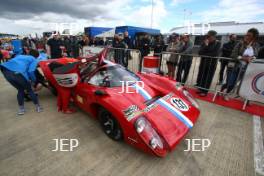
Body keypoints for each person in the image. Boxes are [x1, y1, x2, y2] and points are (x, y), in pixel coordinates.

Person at [221, 28, 260, 101]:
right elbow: (233, 55)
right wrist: (243, 58)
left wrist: (252, 58)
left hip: (245, 68)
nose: (247, 36)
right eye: (246, 34)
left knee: (235, 83)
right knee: (231, 82)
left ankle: (225, 91)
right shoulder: (240, 43)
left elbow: (256, 55)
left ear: (254, 37)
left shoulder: (256, 45)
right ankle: (224, 91)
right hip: (234, 66)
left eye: (249, 35)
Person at [0, 49, 42, 115]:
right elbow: (31, 72)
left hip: (5, 71)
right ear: (36, 57)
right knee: (30, 90)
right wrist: (34, 81)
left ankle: (21, 110)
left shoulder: (20, 56)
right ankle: (38, 107)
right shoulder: (33, 59)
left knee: (20, 90)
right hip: (18, 73)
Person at [196, 30, 221, 96]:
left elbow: (215, 54)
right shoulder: (205, 42)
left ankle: (205, 91)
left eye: (209, 36)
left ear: (214, 36)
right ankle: (200, 89)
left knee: (208, 78)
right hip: (203, 63)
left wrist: (205, 53)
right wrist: (206, 46)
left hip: (211, 64)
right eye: (207, 36)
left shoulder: (218, 43)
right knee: (202, 77)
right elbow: (200, 52)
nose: (208, 37)